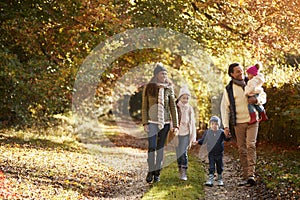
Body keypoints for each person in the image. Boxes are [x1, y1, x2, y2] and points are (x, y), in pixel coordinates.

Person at [220, 62, 267, 186]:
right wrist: (225, 126)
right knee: (242, 150)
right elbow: (225, 108)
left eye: (241, 70)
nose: (241, 73)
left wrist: (257, 100)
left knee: (250, 145)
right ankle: (246, 175)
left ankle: (251, 175)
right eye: (237, 71)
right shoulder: (228, 89)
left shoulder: (251, 82)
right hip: (238, 123)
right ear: (231, 74)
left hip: (253, 121)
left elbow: (263, 95)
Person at [142, 62, 179, 183]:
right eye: (162, 73)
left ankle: (157, 173)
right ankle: (150, 170)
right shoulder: (149, 87)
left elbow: (173, 107)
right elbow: (144, 106)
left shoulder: (169, 88)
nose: (164, 76)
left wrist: (176, 124)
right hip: (152, 122)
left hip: (166, 122)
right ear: (156, 75)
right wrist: (145, 123)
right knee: (152, 147)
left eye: (165, 74)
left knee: (160, 148)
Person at [193, 116, 231, 186]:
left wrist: (228, 135)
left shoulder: (221, 132)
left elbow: (227, 139)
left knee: (219, 166)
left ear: (219, 125)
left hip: (219, 153)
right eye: (212, 124)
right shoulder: (208, 132)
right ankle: (210, 179)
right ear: (210, 125)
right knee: (211, 166)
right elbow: (203, 140)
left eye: (216, 124)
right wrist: (198, 142)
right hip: (211, 153)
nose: (214, 126)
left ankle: (220, 179)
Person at [175, 85, 197, 181]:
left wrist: (193, 136)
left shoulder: (189, 108)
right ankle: (180, 167)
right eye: (184, 98)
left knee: (183, 152)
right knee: (178, 152)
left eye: (187, 98)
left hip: (186, 133)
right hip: (176, 133)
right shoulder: (176, 107)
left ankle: (184, 170)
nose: (185, 100)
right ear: (180, 97)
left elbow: (192, 122)